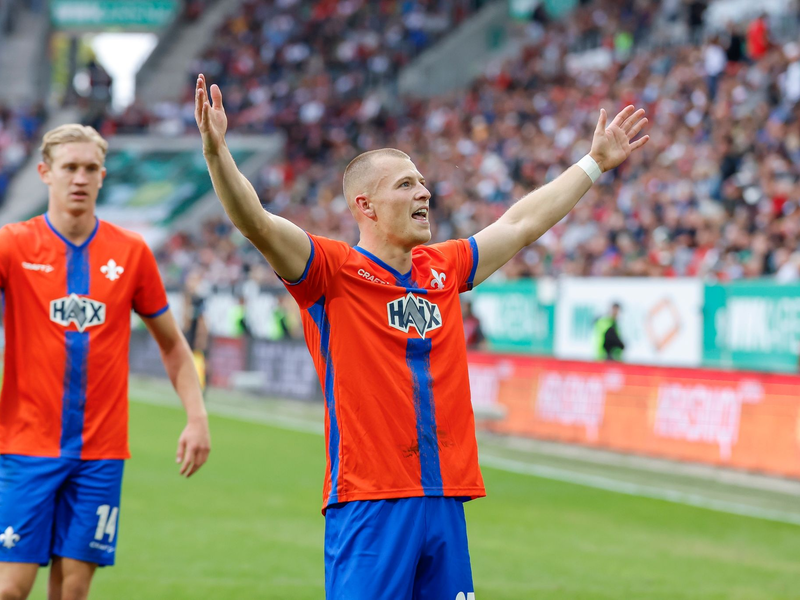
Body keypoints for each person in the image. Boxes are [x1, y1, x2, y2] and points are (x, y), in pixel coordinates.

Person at [195, 73, 648, 598]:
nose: (424, 192)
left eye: (422, 181)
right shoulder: (331, 271)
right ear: (364, 206)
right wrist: (216, 153)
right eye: (405, 184)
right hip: (370, 502)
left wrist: (592, 164)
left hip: (445, 498)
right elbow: (258, 223)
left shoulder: (444, 267)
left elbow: (521, 223)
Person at [0, 124, 211, 600]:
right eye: (69, 167)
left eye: (90, 168)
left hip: (100, 454)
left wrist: (197, 418)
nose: (80, 177)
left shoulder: (130, 252)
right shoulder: (13, 245)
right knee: (10, 589)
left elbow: (173, 345)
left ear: (102, 176)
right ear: (44, 173)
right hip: (26, 446)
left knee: (72, 591)